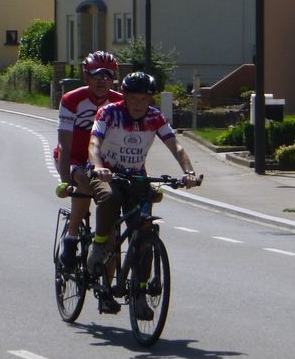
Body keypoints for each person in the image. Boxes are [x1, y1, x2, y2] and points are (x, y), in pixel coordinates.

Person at [87, 71, 198, 318]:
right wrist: (98, 166)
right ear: (124, 96)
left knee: (145, 232)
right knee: (110, 197)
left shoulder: (155, 117)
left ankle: (139, 295)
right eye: (133, 98)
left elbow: (176, 145)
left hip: (136, 178)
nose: (138, 103)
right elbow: (94, 143)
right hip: (108, 174)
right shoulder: (109, 113)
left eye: (144, 98)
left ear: (150, 99)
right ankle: (100, 242)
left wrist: (188, 172)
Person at [55, 51, 122, 270]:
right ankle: (71, 238)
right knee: (83, 183)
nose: (102, 80)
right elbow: (64, 145)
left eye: (108, 75)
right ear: (86, 77)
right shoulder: (72, 100)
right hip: (73, 157)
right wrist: (66, 181)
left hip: (103, 162)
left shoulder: (119, 102)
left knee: (113, 202)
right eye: (96, 74)